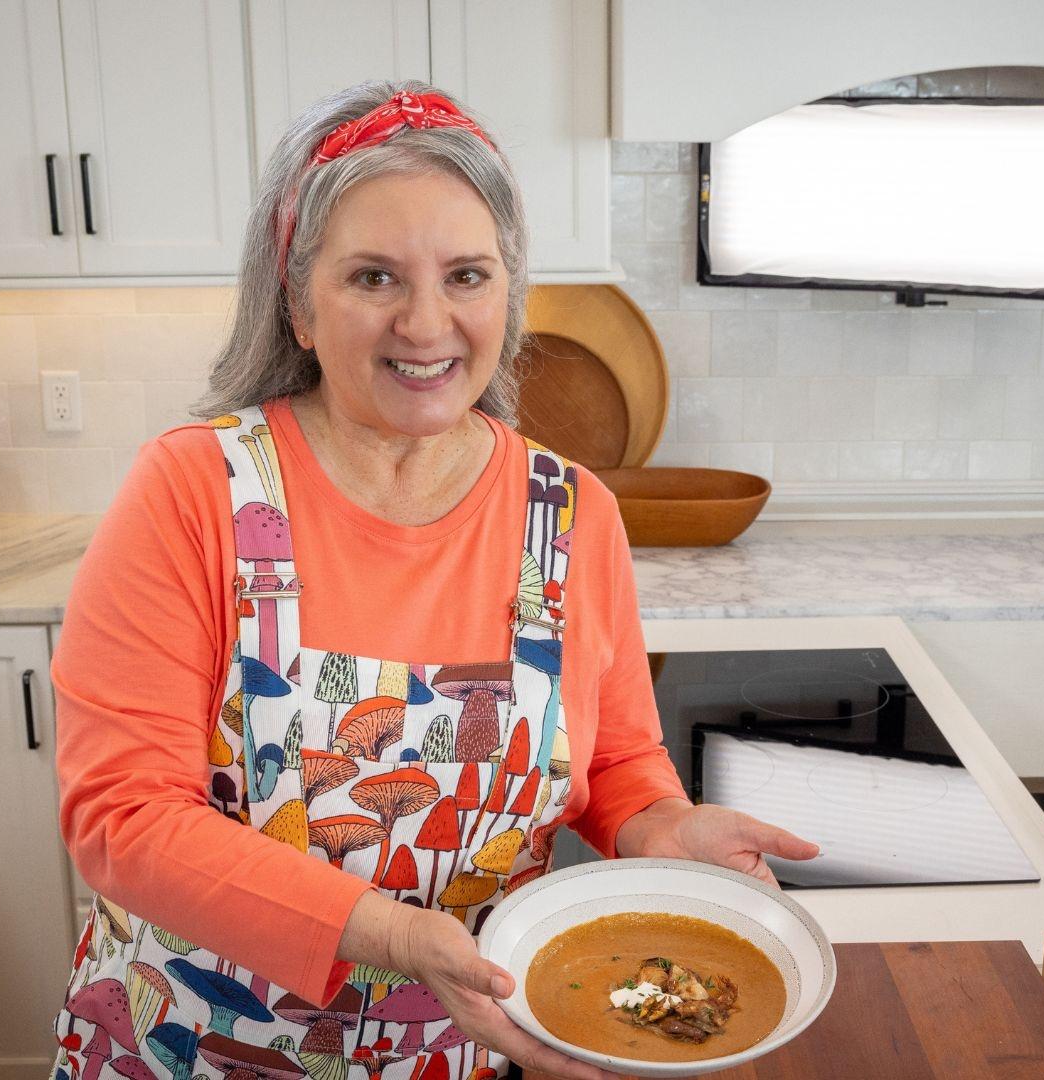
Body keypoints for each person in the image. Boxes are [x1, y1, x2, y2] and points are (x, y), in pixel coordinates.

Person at [48, 81, 817, 1080]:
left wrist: (663, 827)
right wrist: (394, 933)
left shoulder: (571, 515)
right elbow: (124, 821)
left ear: (509, 292)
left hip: (460, 1056)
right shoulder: (196, 490)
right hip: (186, 1048)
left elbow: (616, 762)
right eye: (374, 277)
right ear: (297, 302)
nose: (426, 322)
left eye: (467, 275)